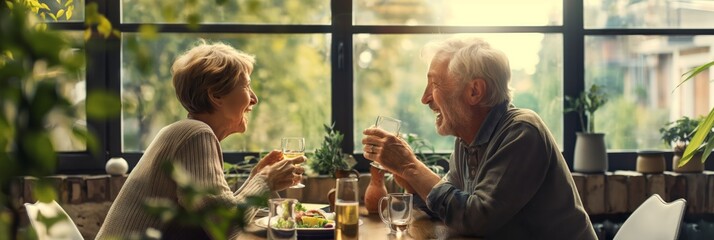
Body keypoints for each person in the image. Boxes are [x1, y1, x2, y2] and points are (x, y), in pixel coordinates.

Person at [362, 37, 597, 239]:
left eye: (434, 84)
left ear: (474, 91)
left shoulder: (522, 132)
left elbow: (476, 219)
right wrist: (413, 185)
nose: (425, 98)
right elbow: (453, 207)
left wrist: (410, 166)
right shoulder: (466, 140)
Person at [96, 41, 304, 239]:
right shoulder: (196, 134)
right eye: (247, 86)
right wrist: (265, 181)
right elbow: (225, 227)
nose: (254, 98)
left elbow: (212, 218)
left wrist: (255, 178)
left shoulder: (184, 132)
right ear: (216, 95)